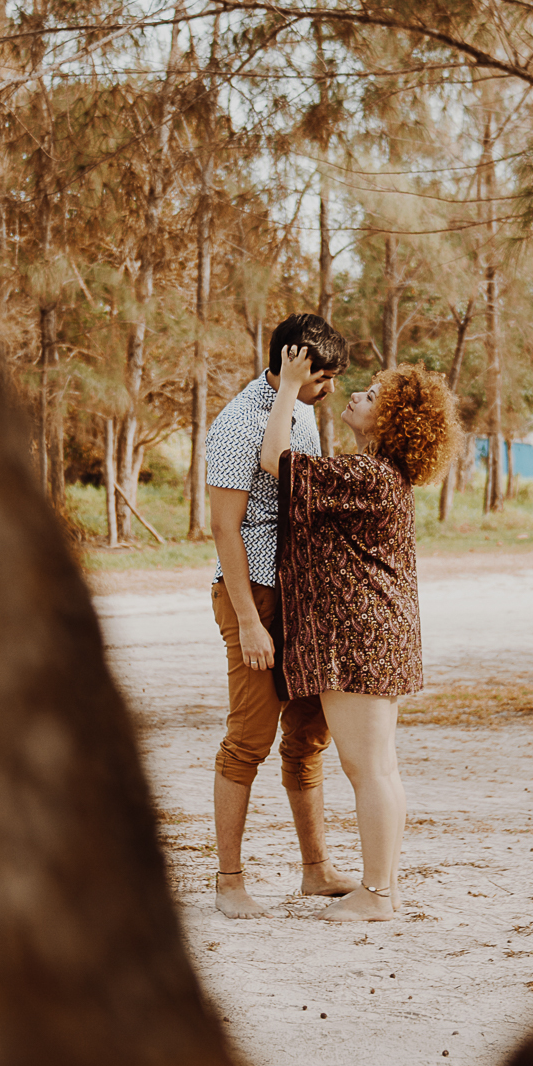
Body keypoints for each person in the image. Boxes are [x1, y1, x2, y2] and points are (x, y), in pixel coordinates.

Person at [261, 346, 460, 922]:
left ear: (392, 421)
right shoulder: (374, 474)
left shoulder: (367, 474)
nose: (355, 394)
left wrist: (287, 385)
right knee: (381, 768)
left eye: (370, 396)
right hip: (377, 636)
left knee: (368, 769)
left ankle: (374, 896)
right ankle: (385, 889)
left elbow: (276, 458)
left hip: (360, 641)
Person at [206, 314, 358, 918]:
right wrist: (248, 619)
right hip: (257, 596)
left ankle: (316, 869)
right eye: (325, 377)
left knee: (307, 737)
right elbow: (225, 528)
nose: (332, 390)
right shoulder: (238, 423)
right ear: (295, 364)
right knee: (248, 740)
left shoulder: (301, 410)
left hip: (301, 596)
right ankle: (229, 881)